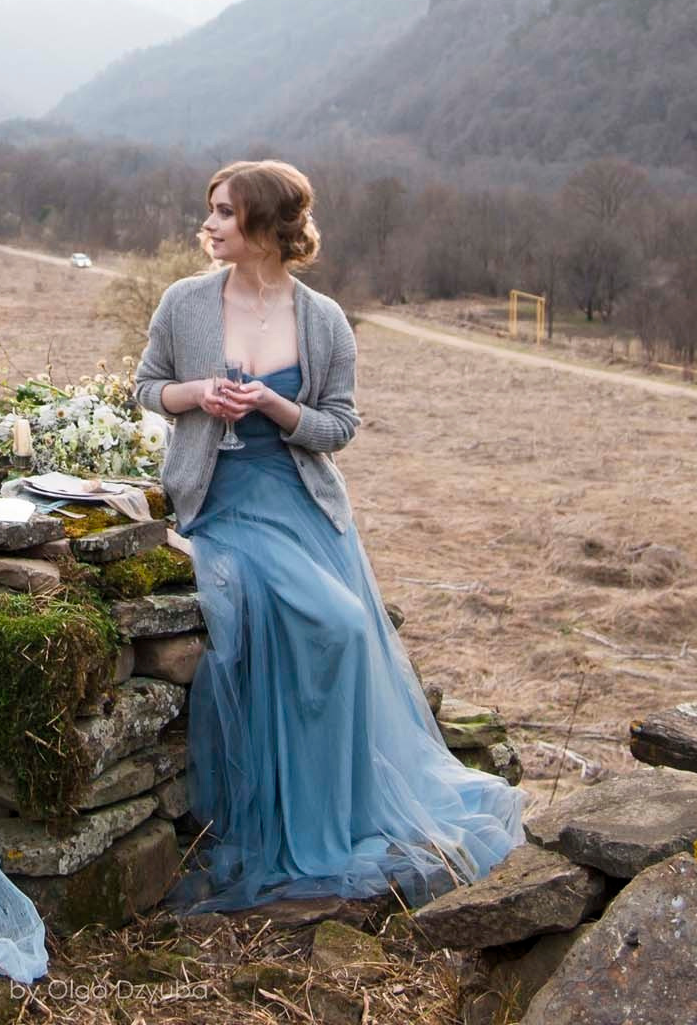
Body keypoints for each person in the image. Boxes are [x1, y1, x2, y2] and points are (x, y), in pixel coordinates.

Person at [132, 159, 524, 910]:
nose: (208, 225)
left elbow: (339, 426)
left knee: (342, 630)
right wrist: (198, 394)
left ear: (266, 227)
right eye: (209, 211)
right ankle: (281, 819)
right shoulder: (183, 302)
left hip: (301, 505)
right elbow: (145, 386)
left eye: (224, 213)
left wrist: (278, 411)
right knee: (277, 626)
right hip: (215, 503)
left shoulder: (323, 319)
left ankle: (338, 818)